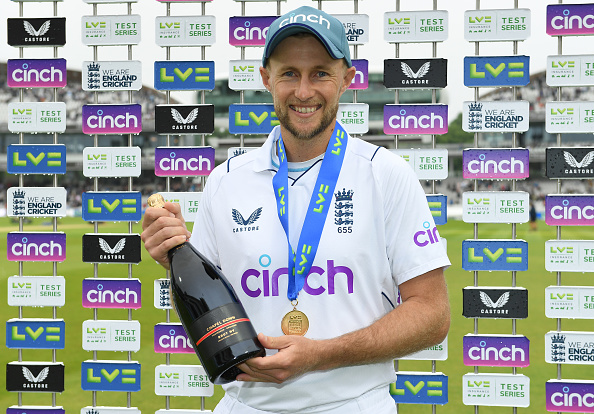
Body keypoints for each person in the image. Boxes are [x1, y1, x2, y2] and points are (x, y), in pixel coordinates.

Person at [142, 6, 450, 414]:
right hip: (245, 406)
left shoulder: (385, 174)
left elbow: (432, 314)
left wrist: (321, 354)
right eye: (289, 73)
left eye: (320, 72)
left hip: (352, 404)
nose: (304, 91)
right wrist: (174, 254)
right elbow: (208, 305)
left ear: (347, 81)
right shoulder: (225, 180)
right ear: (266, 79)